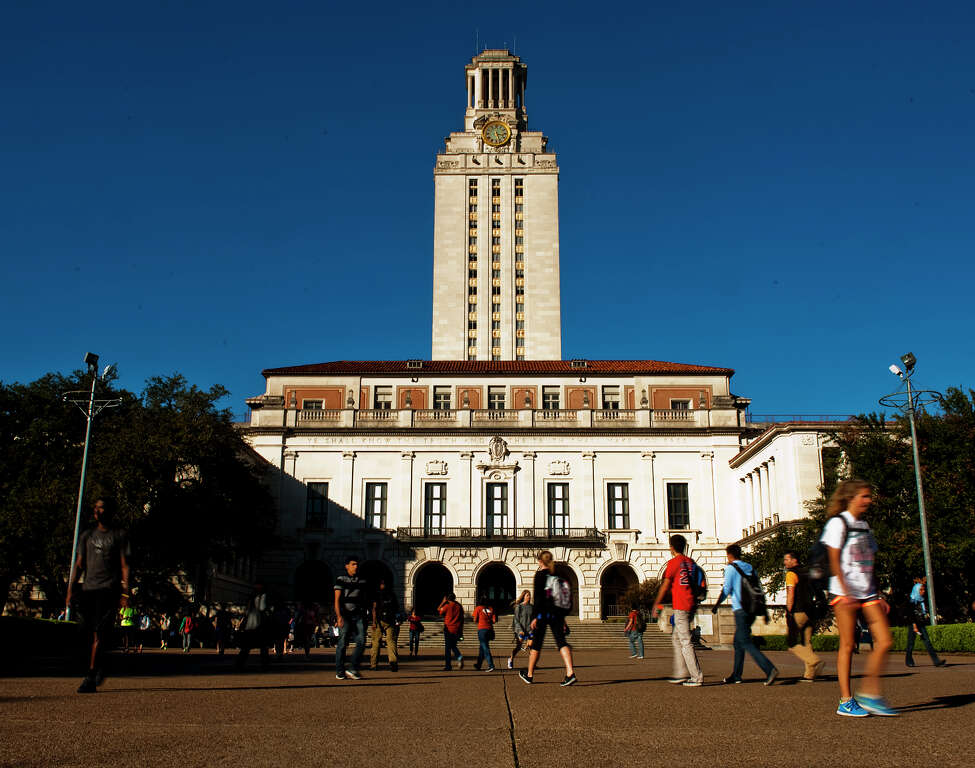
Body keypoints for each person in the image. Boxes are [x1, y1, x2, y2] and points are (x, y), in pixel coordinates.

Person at [822, 479, 896, 717]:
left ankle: (870, 693)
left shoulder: (864, 525)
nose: (868, 500)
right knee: (847, 644)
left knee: (885, 641)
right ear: (851, 498)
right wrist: (845, 590)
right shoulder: (837, 523)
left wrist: (878, 591)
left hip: (867, 591)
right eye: (864, 496)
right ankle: (845, 700)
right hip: (844, 592)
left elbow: (870, 561)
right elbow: (833, 559)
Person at [65, 497, 130, 694]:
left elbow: (125, 565)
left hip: (108, 589)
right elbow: (78, 564)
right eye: (96, 508)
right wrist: (71, 589)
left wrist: (126, 593)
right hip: (88, 589)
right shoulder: (87, 536)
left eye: (101, 508)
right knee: (86, 633)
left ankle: (90, 676)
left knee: (100, 633)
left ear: (110, 511)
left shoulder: (119, 535)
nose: (97, 511)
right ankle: (99, 664)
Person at [712, 544, 778, 686]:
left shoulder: (730, 568)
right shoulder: (749, 567)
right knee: (738, 642)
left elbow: (726, 589)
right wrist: (764, 610)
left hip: (741, 608)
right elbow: (758, 588)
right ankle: (736, 675)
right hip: (753, 609)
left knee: (745, 641)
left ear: (729, 555)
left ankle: (769, 668)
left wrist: (717, 605)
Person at [652, 534, 704, 686]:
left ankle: (696, 676)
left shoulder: (674, 563)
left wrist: (657, 603)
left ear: (672, 547)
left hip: (681, 604)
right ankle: (681, 672)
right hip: (691, 603)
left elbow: (666, 585)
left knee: (685, 641)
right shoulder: (690, 562)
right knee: (676, 638)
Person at [518, 550, 576, 686]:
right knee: (562, 642)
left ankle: (530, 674)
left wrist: (535, 617)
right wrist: (563, 618)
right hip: (557, 613)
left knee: (536, 644)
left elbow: (539, 598)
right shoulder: (557, 574)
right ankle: (570, 672)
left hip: (543, 614)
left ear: (539, 561)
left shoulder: (539, 575)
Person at [783, 551, 823, 682]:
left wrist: (788, 611)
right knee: (807, 642)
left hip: (798, 610)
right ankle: (809, 675)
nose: (785, 562)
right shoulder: (807, 572)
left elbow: (791, 594)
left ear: (794, 560)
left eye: (787, 559)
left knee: (792, 642)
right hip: (811, 610)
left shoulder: (791, 574)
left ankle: (814, 660)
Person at [334, 556, 367, 680]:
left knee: (362, 641)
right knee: (342, 643)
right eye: (353, 564)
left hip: (358, 615)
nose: (356, 566)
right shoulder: (341, 579)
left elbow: (364, 598)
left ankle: (353, 667)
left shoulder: (362, 580)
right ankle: (340, 670)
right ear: (346, 566)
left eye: (357, 564)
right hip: (345, 614)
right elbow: (336, 600)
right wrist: (338, 616)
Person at [905, 577, 945, 668]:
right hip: (913, 624)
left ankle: (936, 661)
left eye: (923, 589)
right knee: (911, 643)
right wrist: (914, 626)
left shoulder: (921, 600)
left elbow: (921, 613)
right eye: (921, 590)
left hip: (920, 623)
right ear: (916, 590)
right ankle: (908, 660)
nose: (923, 591)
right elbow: (910, 615)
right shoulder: (912, 600)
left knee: (927, 642)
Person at [236, 582, 270, 671]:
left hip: (250, 625)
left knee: (247, 646)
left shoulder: (251, 599)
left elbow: (246, 613)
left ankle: (240, 662)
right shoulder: (262, 597)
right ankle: (264, 663)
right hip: (259, 625)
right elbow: (262, 608)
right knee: (263, 646)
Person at [370, 579, 401, 671]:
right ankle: (393, 662)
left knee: (376, 642)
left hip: (379, 621)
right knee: (391, 642)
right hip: (390, 621)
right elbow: (396, 609)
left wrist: (374, 622)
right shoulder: (392, 595)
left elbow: (374, 608)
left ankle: (374, 664)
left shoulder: (377, 594)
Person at [438, 593, 465, 671]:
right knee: (453, 645)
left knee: (447, 648)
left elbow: (439, 611)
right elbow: (462, 618)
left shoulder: (447, 606)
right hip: (457, 629)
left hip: (448, 629)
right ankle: (459, 656)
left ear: (448, 599)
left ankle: (448, 666)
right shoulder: (459, 606)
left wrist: (443, 602)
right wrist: (461, 631)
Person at [508, 590, 532, 669]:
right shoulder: (519, 607)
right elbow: (516, 620)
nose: (529, 597)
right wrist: (520, 630)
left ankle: (532, 664)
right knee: (518, 647)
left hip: (529, 630)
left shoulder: (532, 607)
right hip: (520, 629)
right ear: (523, 596)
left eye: (530, 595)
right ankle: (511, 659)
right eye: (527, 595)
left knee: (532, 646)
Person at [472, 594, 497, 671]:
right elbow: (494, 620)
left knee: (485, 648)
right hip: (489, 629)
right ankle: (478, 664)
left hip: (482, 630)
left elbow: (475, 620)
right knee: (482, 648)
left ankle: (491, 665)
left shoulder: (478, 608)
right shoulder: (491, 608)